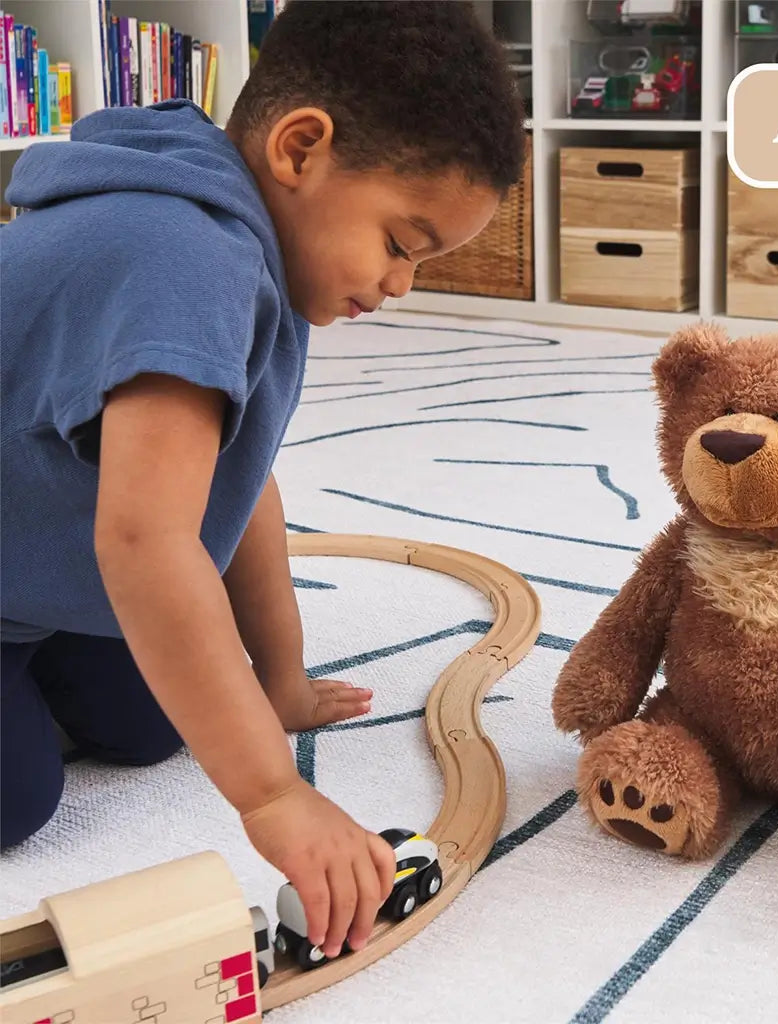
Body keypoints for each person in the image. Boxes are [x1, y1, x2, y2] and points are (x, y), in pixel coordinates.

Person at [0, 0, 524, 961]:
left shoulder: (243, 251)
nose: (402, 284)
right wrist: (274, 794)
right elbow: (146, 540)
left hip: (28, 560)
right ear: (300, 149)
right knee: (16, 794)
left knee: (162, 718)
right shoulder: (187, 258)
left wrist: (276, 684)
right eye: (402, 243)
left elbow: (236, 495)